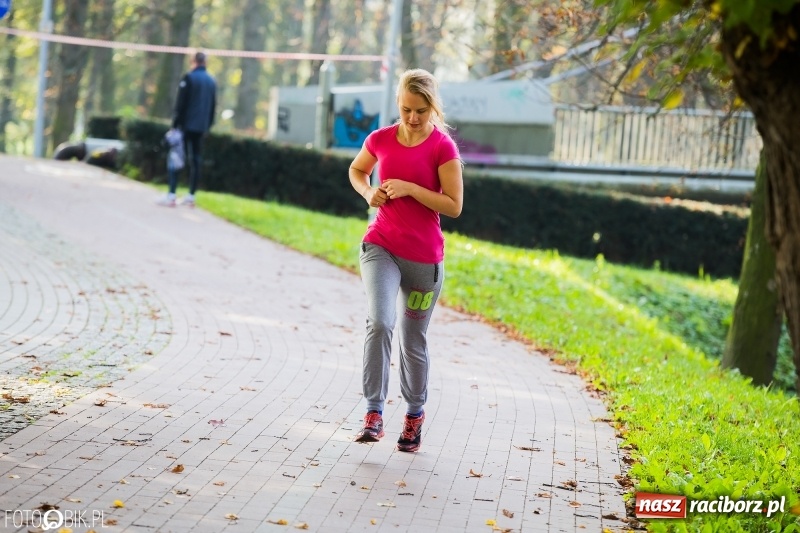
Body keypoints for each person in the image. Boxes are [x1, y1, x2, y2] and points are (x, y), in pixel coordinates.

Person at [348, 68, 463, 453]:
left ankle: (414, 416)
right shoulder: (380, 138)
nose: (413, 118)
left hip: (424, 264)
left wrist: (413, 189)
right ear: (398, 103)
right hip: (381, 246)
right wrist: (368, 193)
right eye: (406, 109)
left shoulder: (443, 148)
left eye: (421, 110)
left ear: (433, 107)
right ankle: (373, 413)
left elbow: (454, 205)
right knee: (380, 322)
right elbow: (357, 169)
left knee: (413, 340)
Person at [157, 51, 216, 207]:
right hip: (201, 127)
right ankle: (191, 195)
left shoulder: (189, 78)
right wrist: (207, 127)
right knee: (196, 160)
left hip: (185, 126)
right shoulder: (212, 81)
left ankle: (171, 194)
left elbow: (180, 105)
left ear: (193, 61)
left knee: (175, 158)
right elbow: (213, 107)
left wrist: (175, 126)